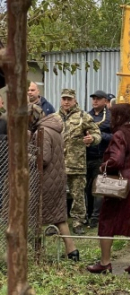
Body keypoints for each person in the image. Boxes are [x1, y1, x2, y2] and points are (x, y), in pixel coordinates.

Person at [86, 103, 130, 275]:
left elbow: (117, 160)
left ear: (118, 116)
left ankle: (105, 262)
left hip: (121, 187)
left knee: (106, 220)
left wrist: (103, 166)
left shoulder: (119, 134)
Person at [29, 104, 78, 261]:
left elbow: (43, 159)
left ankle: (38, 253)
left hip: (45, 180)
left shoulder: (41, 132)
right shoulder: (54, 128)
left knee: (34, 216)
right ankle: (72, 251)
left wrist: (24, 154)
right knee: (59, 216)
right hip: (56, 178)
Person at [59, 88, 101, 235]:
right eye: (64, 99)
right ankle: (58, 222)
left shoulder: (83, 116)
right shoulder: (54, 117)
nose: (66, 102)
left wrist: (92, 139)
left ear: (74, 100)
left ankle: (78, 222)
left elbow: (97, 133)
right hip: (57, 164)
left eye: (69, 99)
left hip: (76, 163)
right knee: (57, 194)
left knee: (77, 194)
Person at [85, 90, 112, 228]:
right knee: (86, 188)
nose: (95, 101)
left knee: (99, 188)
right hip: (86, 156)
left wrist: (99, 135)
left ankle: (96, 218)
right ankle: (87, 215)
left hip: (101, 156)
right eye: (93, 98)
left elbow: (115, 136)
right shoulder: (86, 116)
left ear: (105, 101)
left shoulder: (110, 117)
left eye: (98, 98)